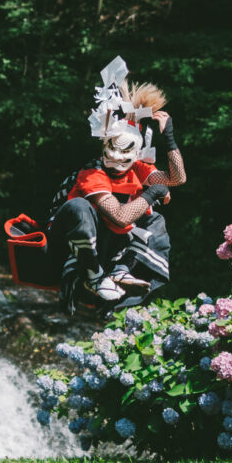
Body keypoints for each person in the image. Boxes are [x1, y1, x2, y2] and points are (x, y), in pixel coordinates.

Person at [48, 81, 186, 314]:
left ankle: (121, 269)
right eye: (112, 151)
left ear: (136, 153)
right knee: (80, 206)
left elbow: (177, 178)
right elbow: (121, 217)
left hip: (109, 244)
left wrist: (169, 138)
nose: (116, 158)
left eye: (125, 154)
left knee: (156, 220)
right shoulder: (93, 173)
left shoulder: (138, 169)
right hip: (70, 242)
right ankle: (93, 274)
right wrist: (154, 192)